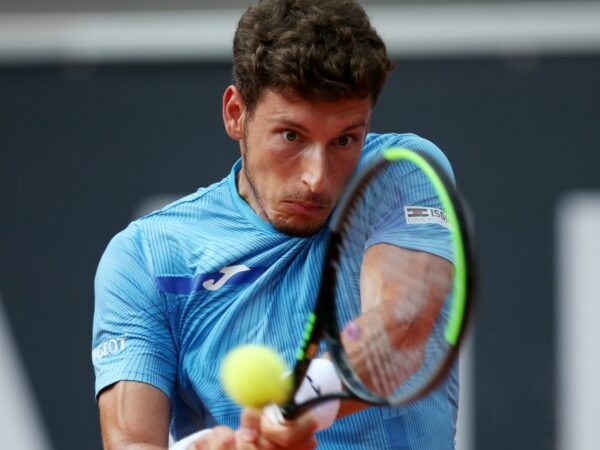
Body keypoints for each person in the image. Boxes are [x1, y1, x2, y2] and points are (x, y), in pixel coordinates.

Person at [92, 0, 459, 449]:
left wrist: (296, 404)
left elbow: (399, 330)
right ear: (235, 113)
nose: (316, 179)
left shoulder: (399, 174)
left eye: (345, 139)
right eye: (291, 136)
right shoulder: (146, 257)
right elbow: (131, 443)